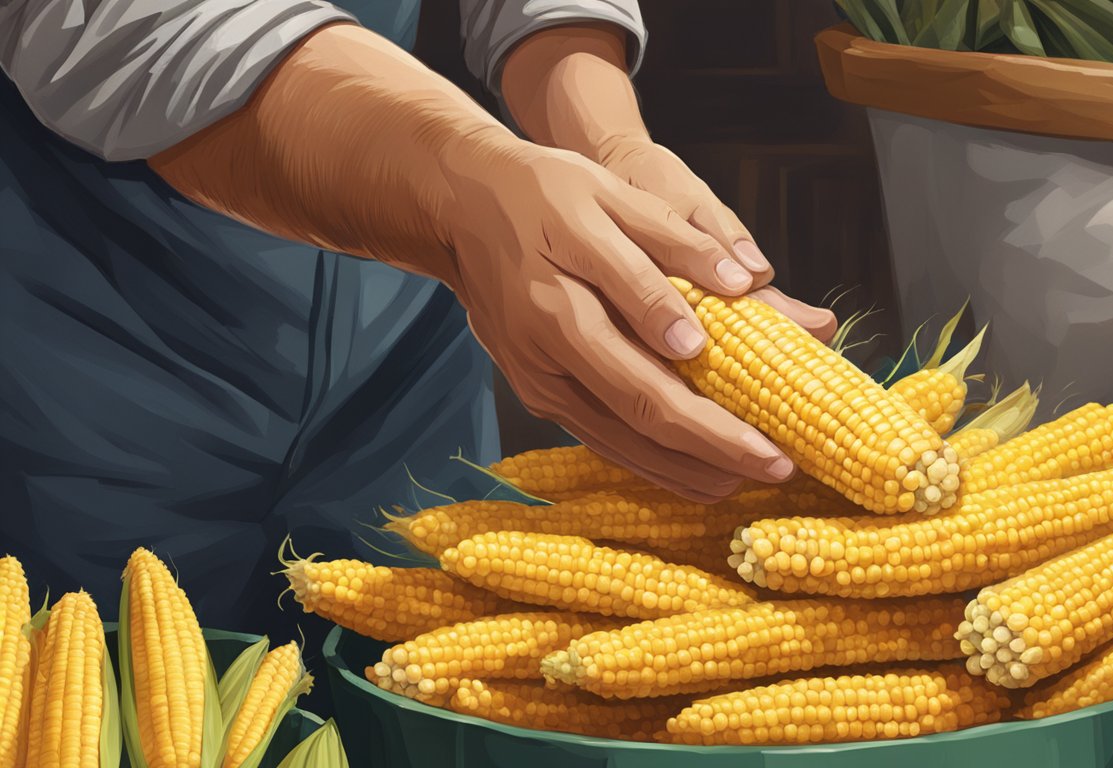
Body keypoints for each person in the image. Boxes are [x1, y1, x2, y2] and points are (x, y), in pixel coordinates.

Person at [0, 0, 836, 640]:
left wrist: (608, 148)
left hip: (407, 343)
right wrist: (467, 191)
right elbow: (133, 27)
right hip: (104, 350)